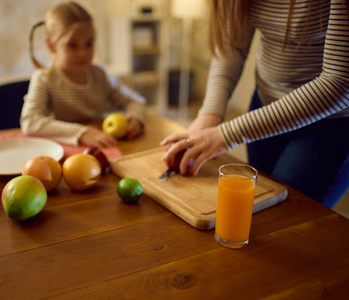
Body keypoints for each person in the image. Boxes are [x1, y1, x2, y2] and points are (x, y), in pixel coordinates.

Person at [161, 0, 349, 208]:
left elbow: (340, 82)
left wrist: (227, 135)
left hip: (329, 126)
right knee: (258, 208)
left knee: (284, 220)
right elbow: (232, 46)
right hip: (263, 107)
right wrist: (209, 114)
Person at [21, 1, 146, 147]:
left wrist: (136, 119)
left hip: (101, 148)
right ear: (51, 45)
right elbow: (30, 122)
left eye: (89, 43)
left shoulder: (100, 75)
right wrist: (82, 133)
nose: (83, 53)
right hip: (61, 152)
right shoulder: (44, 79)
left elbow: (135, 101)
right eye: (72, 45)